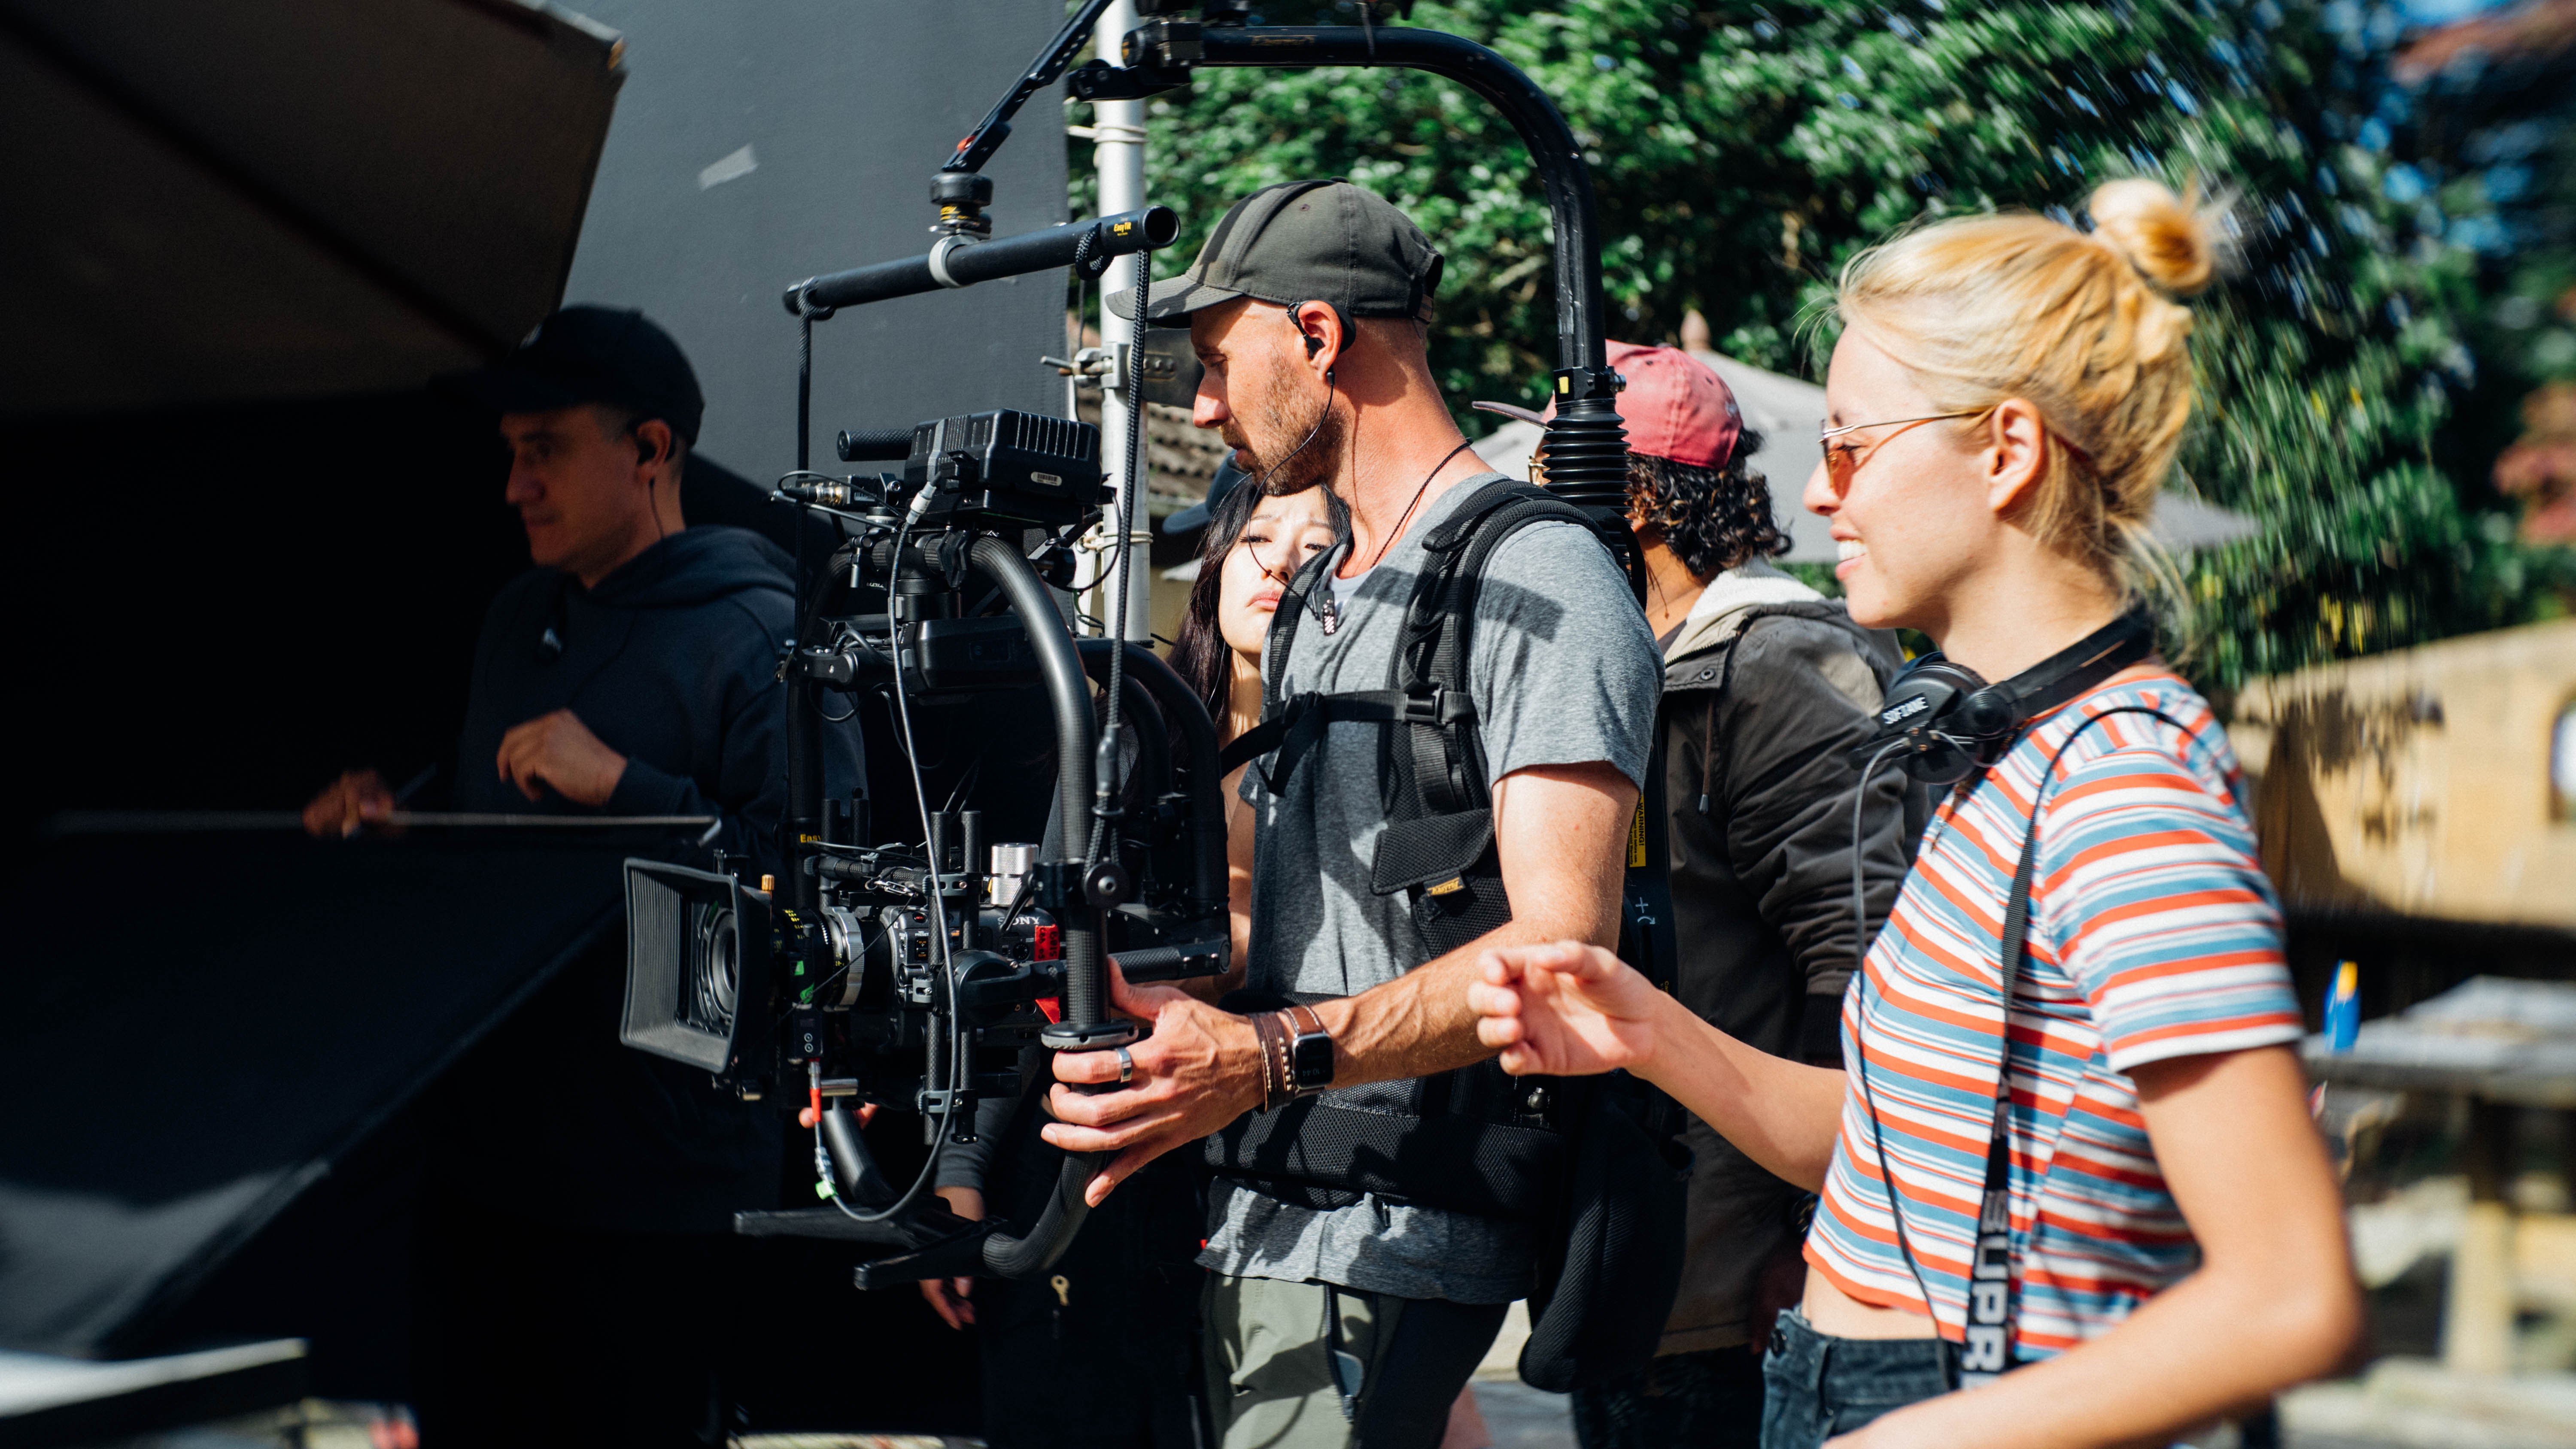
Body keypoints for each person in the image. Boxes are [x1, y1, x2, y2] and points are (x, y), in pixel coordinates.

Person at [1466, 179, 2361, 1449]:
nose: (1823, 497)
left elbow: (2289, 1296)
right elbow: (1879, 1147)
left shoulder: (2123, 781)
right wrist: (1650, 1034)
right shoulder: (2007, 756)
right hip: (1850, 1381)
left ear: (2006, 449)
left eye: (1848, 446)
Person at [1043, 179, 1662, 1449]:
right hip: (1264, 1210)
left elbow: (1563, 956)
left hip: (1390, 1233)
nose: (1204, 403)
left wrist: (1262, 1057)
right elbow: (1332, 932)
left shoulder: (1540, 576)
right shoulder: (1327, 592)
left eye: (1220, 362)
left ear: (1320, 337)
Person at [306, 305, 863, 1446]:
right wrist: (404, 826)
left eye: (545, 448)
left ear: (652, 451)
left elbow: (818, 920)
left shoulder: (765, 640)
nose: (514, 487)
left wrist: (626, 787)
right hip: (480, 1178)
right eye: (510, 453)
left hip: (655, 1200)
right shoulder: (519, 619)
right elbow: (516, 865)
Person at [1557, 344, 1919, 1449]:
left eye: (1561, 473)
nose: (1540, 498)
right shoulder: (1640, 664)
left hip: (1734, 1286)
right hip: (1641, 1259)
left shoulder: (1778, 665)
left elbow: (1862, 960)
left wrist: (1809, 1236)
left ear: (1636, 496)